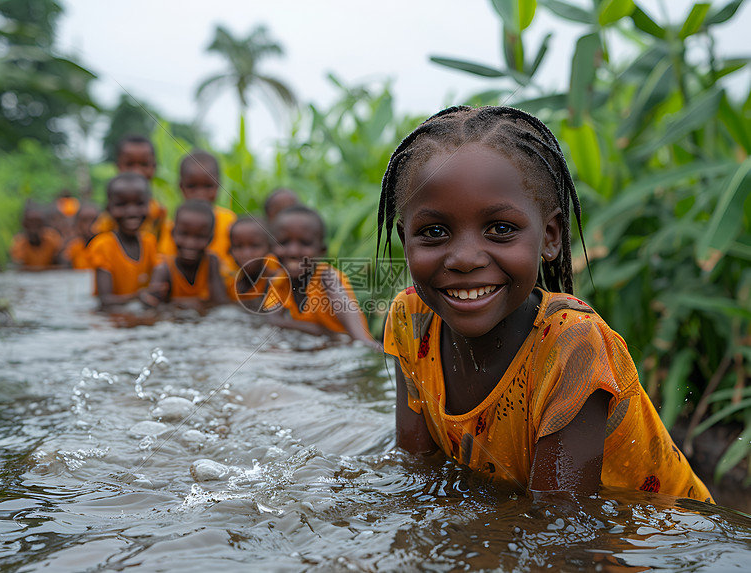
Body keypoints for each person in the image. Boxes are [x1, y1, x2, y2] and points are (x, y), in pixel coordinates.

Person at [378, 105, 712, 502]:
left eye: (500, 229)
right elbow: (416, 474)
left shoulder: (573, 346)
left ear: (551, 236)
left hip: (662, 550)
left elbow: (557, 532)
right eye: (434, 231)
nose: (465, 258)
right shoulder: (411, 319)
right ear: (406, 239)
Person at [266, 205, 375, 345]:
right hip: (320, 346)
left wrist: (365, 342)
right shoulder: (279, 283)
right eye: (283, 243)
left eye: (305, 243)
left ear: (322, 250)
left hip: (344, 349)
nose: (293, 251)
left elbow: (352, 321)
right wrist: (319, 331)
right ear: (271, 248)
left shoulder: (327, 277)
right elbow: (272, 320)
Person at [87, 173, 159, 309]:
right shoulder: (102, 245)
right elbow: (105, 301)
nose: (132, 211)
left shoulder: (150, 242)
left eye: (139, 203)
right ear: (108, 208)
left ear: (150, 206)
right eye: (121, 204)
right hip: (110, 322)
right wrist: (137, 296)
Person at [159, 150, 237, 270]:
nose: (200, 194)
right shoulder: (172, 225)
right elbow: (166, 262)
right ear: (181, 187)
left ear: (218, 186)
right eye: (192, 186)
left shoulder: (229, 222)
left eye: (208, 186)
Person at [144, 200, 228, 310]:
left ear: (211, 238)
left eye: (199, 236)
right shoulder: (164, 268)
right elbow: (152, 304)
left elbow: (221, 303)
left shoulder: (211, 262)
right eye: (184, 234)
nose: (190, 243)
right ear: (172, 233)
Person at [94, 135, 169, 242]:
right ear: (117, 166)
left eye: (144, 164)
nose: (136, 171)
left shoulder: (158, 213)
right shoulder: (109, 215)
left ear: (154, 167)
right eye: (129, 164)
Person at [225, 216, 281, 312]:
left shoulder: (277, 281)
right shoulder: (229, 284)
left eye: (255, 246)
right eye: (238, 246)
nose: (247, 254)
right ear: (229, 250)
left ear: (270, 248)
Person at [10, 204, 63, 269]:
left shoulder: (52, 238)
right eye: (30, 224)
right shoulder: (19, 242)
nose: (34, 228)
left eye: (37, 224)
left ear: (42, 224)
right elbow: (18, 263)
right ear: (25, 225)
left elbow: (60, 259)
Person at [60, 202, 100, 269]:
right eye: (84, 221)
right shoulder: (73, 248)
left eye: (94, 220)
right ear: (77, 224)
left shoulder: (104, 246)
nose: (89, 225)